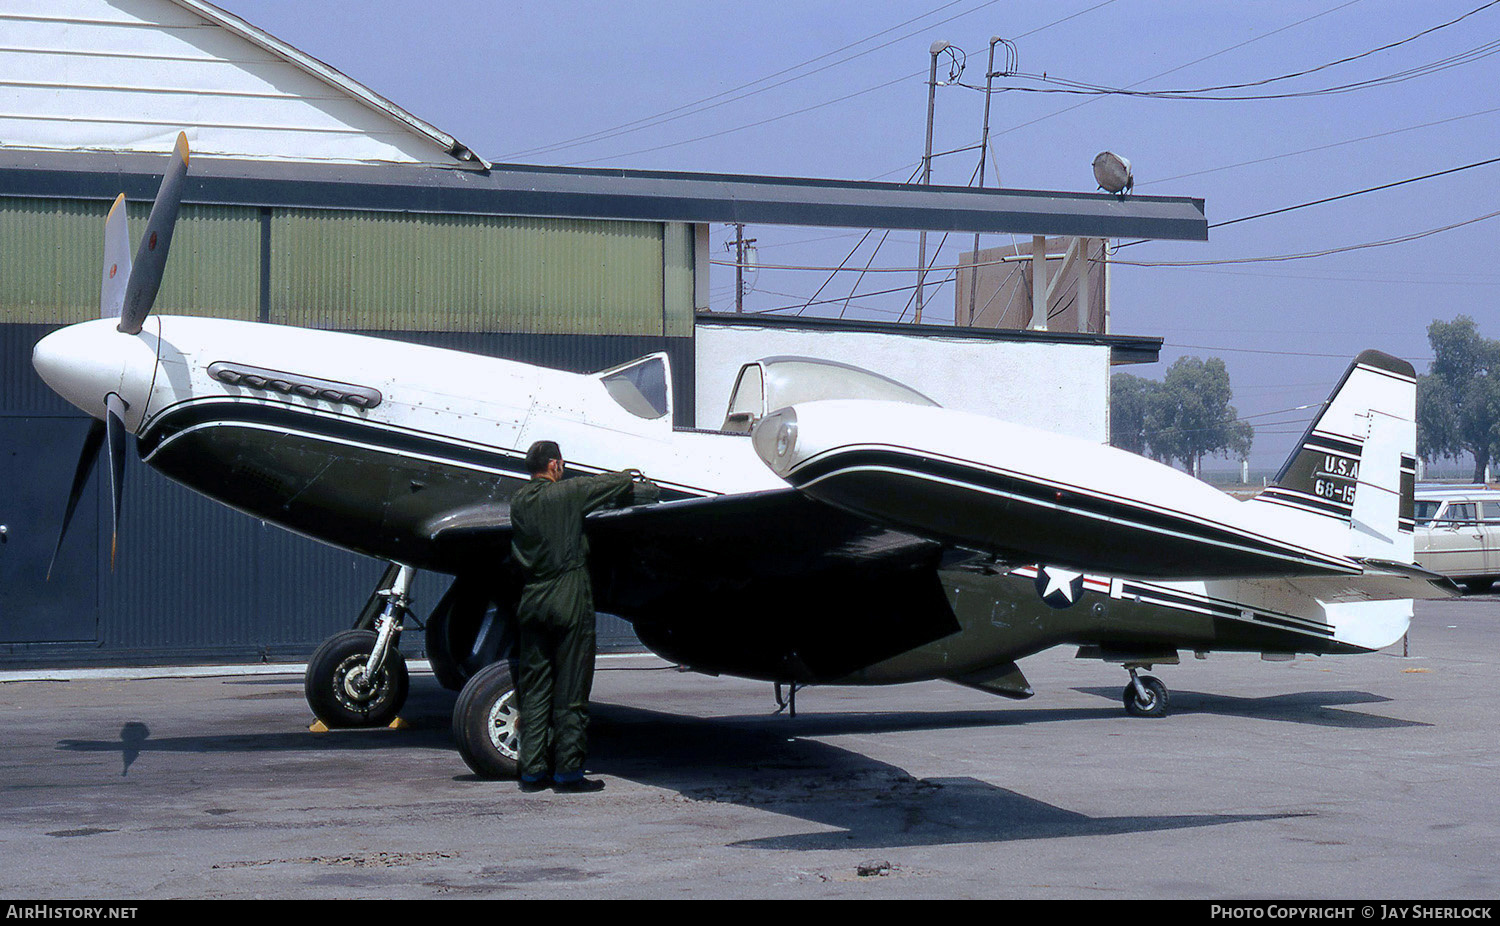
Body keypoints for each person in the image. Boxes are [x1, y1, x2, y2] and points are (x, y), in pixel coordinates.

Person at [509, 440, 650, 793]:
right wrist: (628, 477)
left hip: (532, 598)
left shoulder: (518, 502)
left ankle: (531, 772)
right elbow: (611, 484)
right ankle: (568, 772)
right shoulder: (566, 494)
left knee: (535, 689)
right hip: (568, 595)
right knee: (571, 689)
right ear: (555, 464)